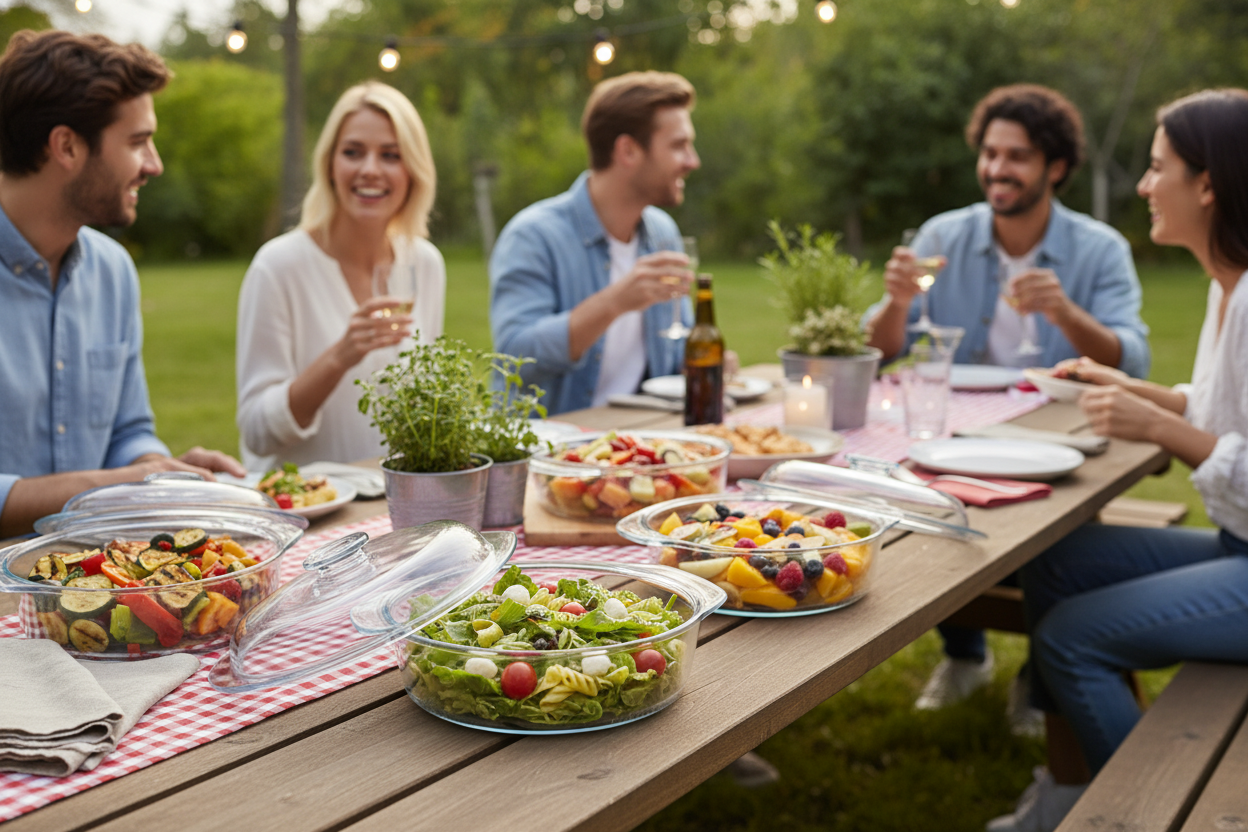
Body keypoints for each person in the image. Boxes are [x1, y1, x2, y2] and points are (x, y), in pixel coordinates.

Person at [987, 88, 1248, 832]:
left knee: (1072, 636)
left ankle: (1146, 811)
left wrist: (1160, 429)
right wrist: (1136, 391)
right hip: (1237, 544)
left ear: (1208, 184)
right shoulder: (1226, 288)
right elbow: (1228, 408)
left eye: (1156, 166)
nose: (1142, 185)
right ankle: (1068, 786)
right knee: (1057, 562)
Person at [863, 84, 1152, 715]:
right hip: (960, 433)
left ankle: (1041, 681)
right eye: (990, 153)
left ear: (1056, 167)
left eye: (1016, 156)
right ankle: (965, 654)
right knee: (925, 505)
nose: (997, 169)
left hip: (1059, 436)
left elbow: (1131, 358)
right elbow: (878, 351)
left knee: (1057, 537)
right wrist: (898, 301)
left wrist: (1066, 312)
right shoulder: (947, 234)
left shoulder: (1098, 248)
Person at [0, 30, 244, 538]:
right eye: (137, 142)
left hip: (89, 592)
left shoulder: (113, 272)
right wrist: (124, 482)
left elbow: (127, 433)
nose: (154, 164)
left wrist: (159, 472)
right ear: (66, 145)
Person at [235, 81, 445, 469]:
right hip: (306, 509)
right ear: (330, 165)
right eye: (352, 152)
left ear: (413, 170)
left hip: (389, 503)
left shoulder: (424, 264)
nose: (369, 170)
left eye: (391, 155)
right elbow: (256, 432)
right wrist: (340, 356)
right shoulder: (278, 266)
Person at [489, 71, 698, 416]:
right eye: (678, 146)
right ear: (628, 150)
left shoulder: (662, 233)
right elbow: (514, 357)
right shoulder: (534, 236)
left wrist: (704, 359)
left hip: (638, 442)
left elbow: (678, 351)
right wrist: (614, 302)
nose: (692, 161)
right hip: (552, 452)